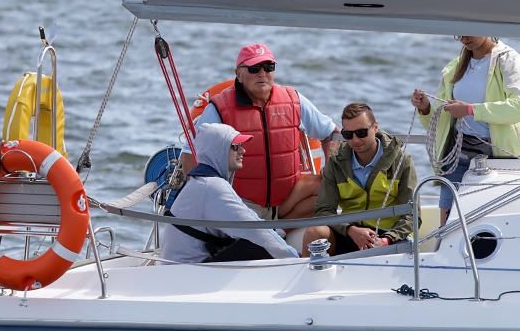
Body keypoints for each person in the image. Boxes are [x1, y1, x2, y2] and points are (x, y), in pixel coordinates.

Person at [181, 44, 340, 221]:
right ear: (239, 74)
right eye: (254, 68)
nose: (262, 73)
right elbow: (189, 154)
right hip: (241, 205)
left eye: (268, 67)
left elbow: (331, 133)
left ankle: (277, 231)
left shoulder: (293, 100)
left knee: (329, 187)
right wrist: (203, 199)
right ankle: (271, 234)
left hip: (287, 201)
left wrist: (331, 164)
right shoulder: (219, 108)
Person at [411, 36, 520, 226]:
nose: (463, 38)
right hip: (456, 156)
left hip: (495, 157)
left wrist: (470, 110)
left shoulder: (507, 59)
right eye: (458, 34)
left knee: (488, 225)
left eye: (469, 31)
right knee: (446, 227)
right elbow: (438, 126)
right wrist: (425, 108)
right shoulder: (456, 66)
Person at [160, 123, 299, 264]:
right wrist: (296, 260)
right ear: (218, 150)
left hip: (178, 269)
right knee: (260, 245)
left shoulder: (201, 182)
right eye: (235, 146)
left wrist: (278, 234)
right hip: (187, 274)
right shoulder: (212, 187)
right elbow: (255, 230)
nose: (243, 150)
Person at [301, 102, 417, 257]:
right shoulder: (336, 162)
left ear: (375, 127)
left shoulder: (402, 161)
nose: (355, 140)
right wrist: (351, 230)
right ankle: (311, 279)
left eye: (361, 132)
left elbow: (412, 215)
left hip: (389, 237)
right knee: (315, 232)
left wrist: (386, 240)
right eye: (348, 135)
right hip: (350, 234)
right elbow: (323, 211)